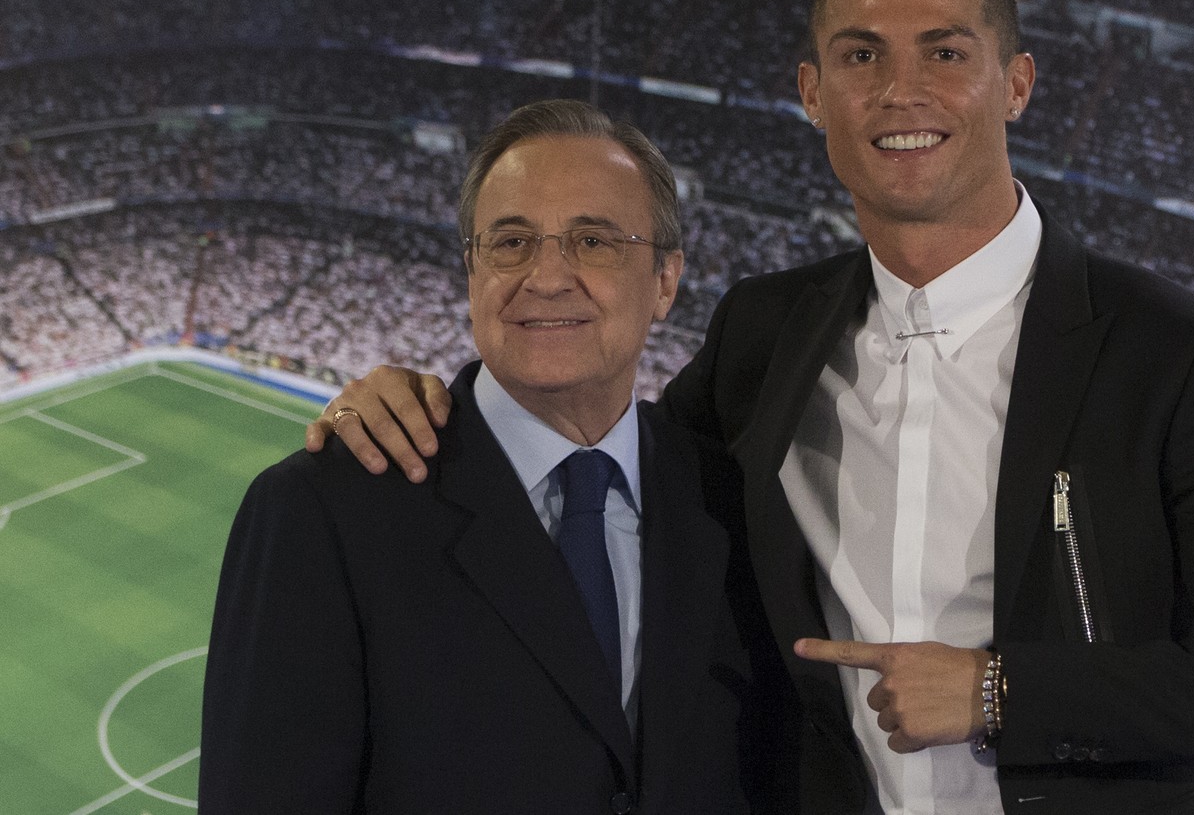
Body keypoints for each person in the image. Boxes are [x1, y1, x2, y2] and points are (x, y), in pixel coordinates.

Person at [308, 0, 1194, 814]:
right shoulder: (766, 330)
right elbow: (618, 472)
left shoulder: (1174, 353)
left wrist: (1002, 692)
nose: (900, 90)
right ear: (812, 92)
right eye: (860, 56)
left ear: (1018, 84)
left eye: (945, 52)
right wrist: (435, 403)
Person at [201, 99, 785, 813]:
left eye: (594, 241)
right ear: (472, 271)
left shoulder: (727, 497)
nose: (545, 276)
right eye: (510, 242)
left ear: (666, 279)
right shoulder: (323, 511)